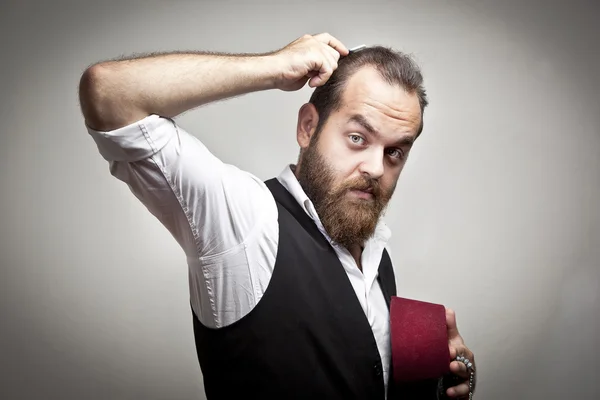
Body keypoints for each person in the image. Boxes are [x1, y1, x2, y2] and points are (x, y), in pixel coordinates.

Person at [79, 32, 476, 399]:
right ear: (307, 127)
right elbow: (108, 93)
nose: (375, 167)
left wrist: (445, 379)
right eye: (358, 138)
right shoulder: (246, 222)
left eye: (395, 152)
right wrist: (273, 66)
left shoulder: (376, 254)